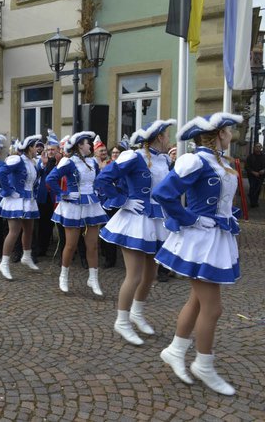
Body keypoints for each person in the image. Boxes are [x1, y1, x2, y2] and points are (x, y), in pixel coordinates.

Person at [153, 113, 243, 396]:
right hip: (201, 241)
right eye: (228, 131)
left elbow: (221, 202)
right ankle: (204, 365)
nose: (231, 135)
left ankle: (175, 350)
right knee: (213, 308)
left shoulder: (220, 162)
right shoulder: (196, 161)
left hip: (215, 238)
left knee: (197, 301)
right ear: (219, 134)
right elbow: (163, 193)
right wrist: (189, 218)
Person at [95, 119, 174, 345]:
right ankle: (122, 321)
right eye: (167, 135)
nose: (169, 139)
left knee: (150, 274)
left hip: (156, 220)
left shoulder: (164, 160)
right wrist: (124, 200)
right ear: (159, 137)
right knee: (135, 275)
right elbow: (103, 179)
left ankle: (137, 314)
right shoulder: (133, 156)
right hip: (135, 220)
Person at [46, 131, 108, 295]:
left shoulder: (92, 162)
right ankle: (63, 276)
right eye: (88, 143)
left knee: (92, 245)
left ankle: (93, 279)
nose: (90, 146)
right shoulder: (69, 162)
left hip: (91, 205)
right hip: (73, 206)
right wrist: (63, 194)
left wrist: (99, 191)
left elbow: (98, 180)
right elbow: (50, 179)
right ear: (80, 145)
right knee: (71, 245)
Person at [0, 135, 42, 280]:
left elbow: (34, 181)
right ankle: (4, 263)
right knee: (14, 231)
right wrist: (9, 190)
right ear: (29, 148)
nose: (38, 149)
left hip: (29, 200)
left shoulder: (33, 162)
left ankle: (26, 256)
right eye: (36, 146)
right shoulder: (17, 160)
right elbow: (1, 172)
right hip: (15, 200)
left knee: (29, 229)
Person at [36, 132, 60, 258]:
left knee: (57, 225)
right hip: (43, 196)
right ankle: (41, 248)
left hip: (56, 196)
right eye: (49, 149)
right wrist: (44, 164)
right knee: (43, 224)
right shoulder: (43, 161)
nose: (50, 152)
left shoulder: (60, 161)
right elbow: (38, 173)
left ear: (57, 150)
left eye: (53, 149)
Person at [245, 142, 265, 208]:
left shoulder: (264, 156)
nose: (258, 148)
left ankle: (255, 201)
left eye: (259, 146)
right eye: (256, 146)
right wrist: (253, 172)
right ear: (254, 148)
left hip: (261, 176)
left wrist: (264, 170)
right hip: (252, 176)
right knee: (252, 187)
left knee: (258, 189)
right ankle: (252, 202)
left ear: (261, 148)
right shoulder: (250, 156)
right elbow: (247, 167)